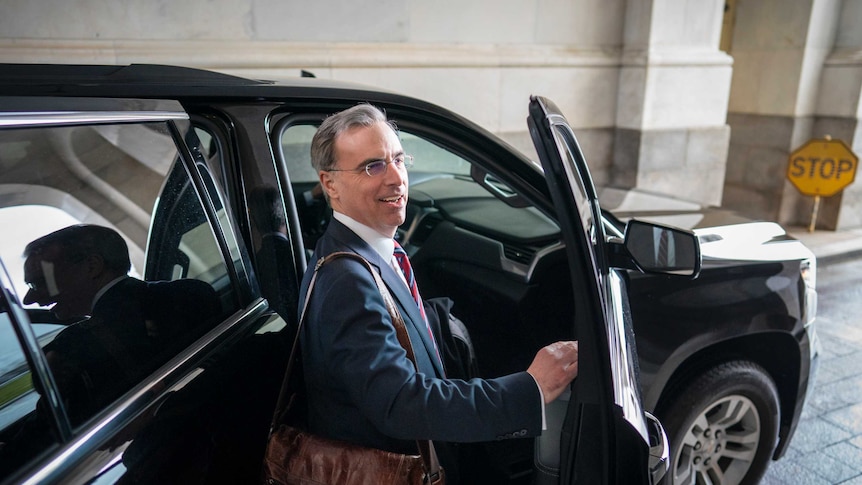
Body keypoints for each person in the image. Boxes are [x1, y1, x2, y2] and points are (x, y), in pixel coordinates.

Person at [299, 104, 579, 483]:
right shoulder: (347, 282)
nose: (396, 178)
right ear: (330, 183)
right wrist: (530, 389)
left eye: (398, 159)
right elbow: (401, 402)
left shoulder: (374, 250)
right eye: (372, 166)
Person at [21, 224, 219, 424]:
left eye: (40, 282)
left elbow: (49, 432)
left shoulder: (73, 348)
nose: (28, 299)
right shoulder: (193, 293)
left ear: (92, 266)